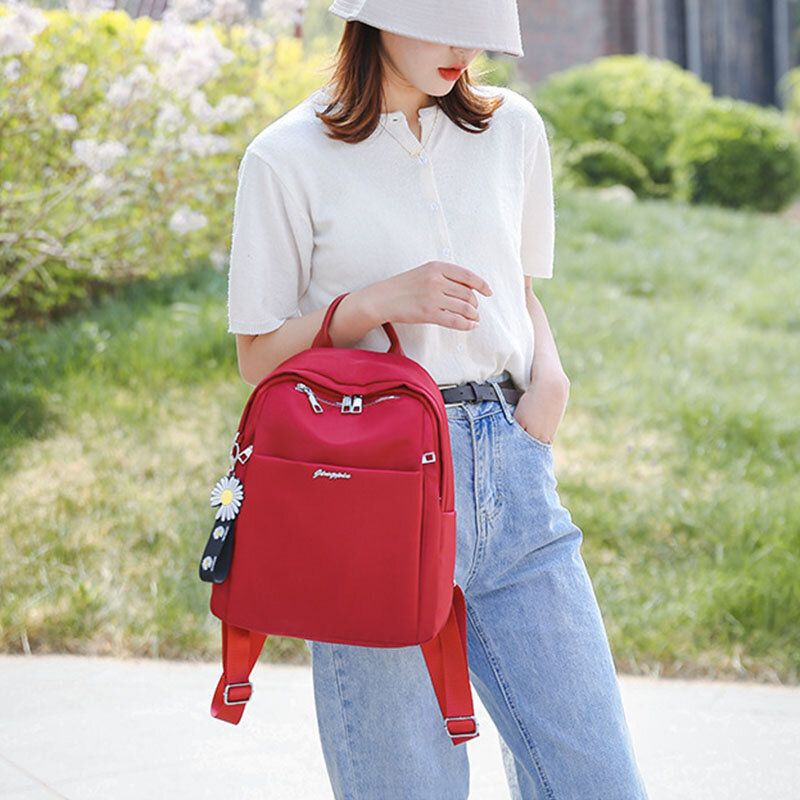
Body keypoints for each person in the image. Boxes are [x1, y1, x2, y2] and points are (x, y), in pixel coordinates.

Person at [226, 1, 650, 797]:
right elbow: (258, 359)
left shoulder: (511, 129)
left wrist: (548, 379)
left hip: (513, 472)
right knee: (407, 787)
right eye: (442, 20)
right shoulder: (286, 157)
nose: (466, 48)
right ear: (375, 17)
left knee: (597, 780)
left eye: (478, 23)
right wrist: (375, 302)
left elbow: (516, 292)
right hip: (368, 494)